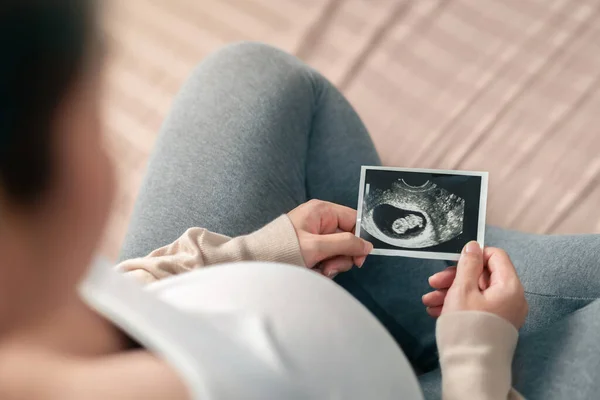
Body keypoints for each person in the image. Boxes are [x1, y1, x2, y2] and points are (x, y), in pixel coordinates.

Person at [0, 0, 599, 398]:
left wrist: (253, 253)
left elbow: (132, 293)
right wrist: (476, 358)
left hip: (266, 309)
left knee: (251, 75)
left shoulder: (25, 294)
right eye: (86, 118)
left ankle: (420, 272)